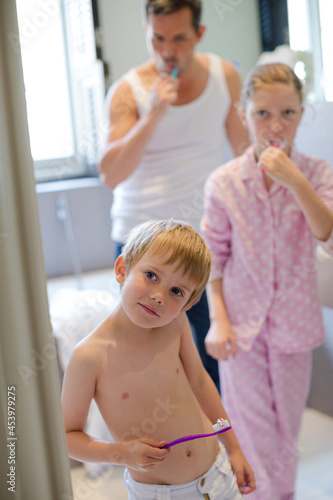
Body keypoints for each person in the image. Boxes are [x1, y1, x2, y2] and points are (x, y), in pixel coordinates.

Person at [98, 0, 250, 392]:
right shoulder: (128, 90)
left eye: (179, 39)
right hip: (141, 236)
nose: (167, 50)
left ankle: (212, 446)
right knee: (147, 354)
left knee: (209, 350)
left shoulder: (224, 76)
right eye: (158, 38)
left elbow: (245, 156)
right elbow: (111, 175)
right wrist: (152, 116)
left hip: (204, 235)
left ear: (199, 34)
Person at [201, 63, 333, 499]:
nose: (275, 126)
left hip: (295, 328)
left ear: (301, 113)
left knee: (284, 438)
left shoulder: (317, 173)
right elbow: (212, 260)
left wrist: (295, 181)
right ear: (243, 113)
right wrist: (218, 321)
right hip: (241, 329)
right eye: (263, 114)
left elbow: (330, 239)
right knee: (253, 437)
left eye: (288, 114)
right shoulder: (224, 182)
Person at [61, 219, 256, 499]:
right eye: (151, 275)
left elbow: (201, 383)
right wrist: (122, 453)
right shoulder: (89, 356)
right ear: (122, 269)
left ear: (186, 305)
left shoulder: (175, 325)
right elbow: (68, 438)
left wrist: (234, 448)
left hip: (218, 475)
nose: (158, 296)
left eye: (176, 291)